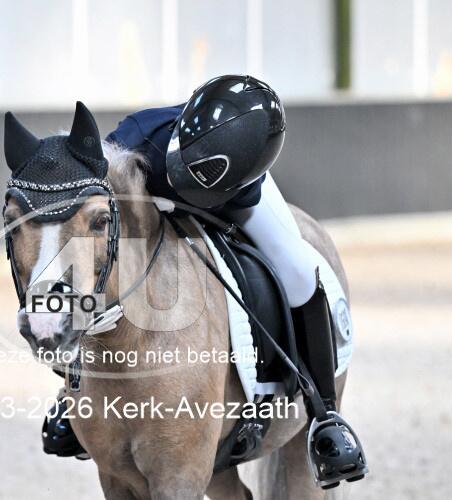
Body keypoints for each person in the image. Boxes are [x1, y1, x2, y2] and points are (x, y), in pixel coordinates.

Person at [42, 75, 367, 488]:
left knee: (300, 271)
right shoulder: (138, 136)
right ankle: (70, 388)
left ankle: (324, 413)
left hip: (231, 196)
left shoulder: (247, 174)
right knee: (93, 258)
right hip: (154, 199)